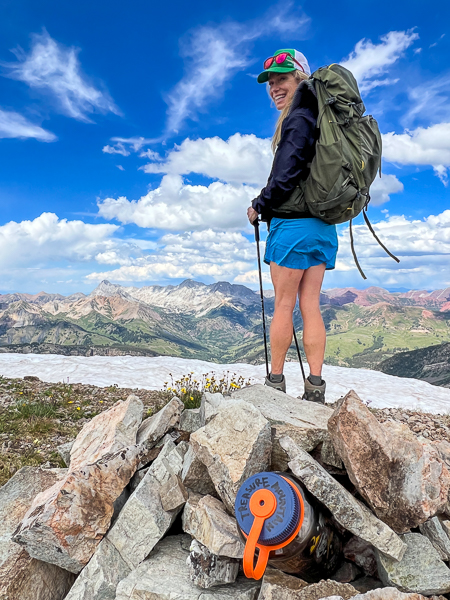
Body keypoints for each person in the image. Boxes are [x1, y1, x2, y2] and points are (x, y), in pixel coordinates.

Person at [247, 49, 338, 403]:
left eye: (282, 78)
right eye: (271, 82)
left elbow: (285, 175)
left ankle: (275, 386)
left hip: (293, 226)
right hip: (322, 226)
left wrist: (259, 205)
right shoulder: (321, 115)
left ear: (300, 77)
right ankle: (315, 388)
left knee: (284, 306)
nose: (274, 87)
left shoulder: (298, 117)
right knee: (310, 304)